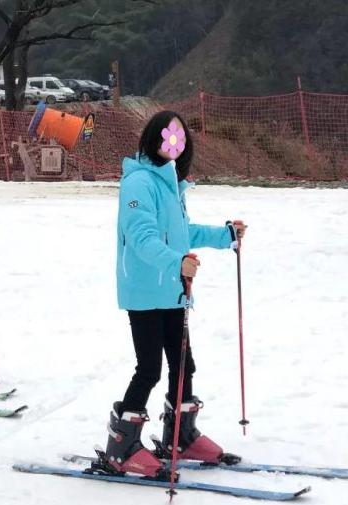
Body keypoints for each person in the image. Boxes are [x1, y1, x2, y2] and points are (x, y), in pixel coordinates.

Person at [104, 110, 247, 477]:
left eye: (180, 138)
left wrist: (224, 235)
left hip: (172, 290)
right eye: (169, 135)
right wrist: (176, 262)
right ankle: (121, 446)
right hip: (145, 290)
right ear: (154, 136)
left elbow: (182, 233)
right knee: (149, 369)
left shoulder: (171, 183)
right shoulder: (138, 183)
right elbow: (141, 237)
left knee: (184, 365)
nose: (174, 142)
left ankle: (180, 437)